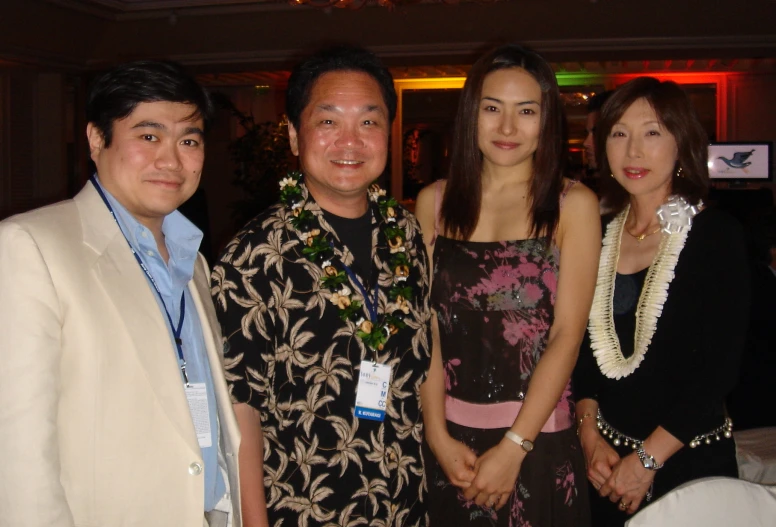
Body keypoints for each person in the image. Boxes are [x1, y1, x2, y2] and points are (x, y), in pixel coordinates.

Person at [0, 60, 241, 527]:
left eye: (188, 140)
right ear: (96, 139)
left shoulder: (193, 261)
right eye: (148, 136)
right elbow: (17, 449)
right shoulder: (32, 247)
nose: (171, 160)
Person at [211, 46, 431, 527]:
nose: (350, 141)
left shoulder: (406, 235)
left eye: (369, 122)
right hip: (306, 506)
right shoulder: (253, 256)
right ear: (294, 135)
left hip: (405, 500)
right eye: (328, 121)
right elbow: (238, 410)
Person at [414, 43, 600, 526]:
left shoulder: (571, 205)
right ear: (471, 113)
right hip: (450, 446)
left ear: (547, 121)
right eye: (492, 108)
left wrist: (514, 447)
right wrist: (436, 435)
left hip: (536, 442)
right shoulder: (432, 203)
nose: (507, 128)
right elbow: (426, 326)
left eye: (526, 111)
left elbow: (567, 335)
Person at [573, 77, 750, 526]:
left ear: (681, 142)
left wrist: (646, 462)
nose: (633, 151)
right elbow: (580, 351)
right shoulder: (596, 233)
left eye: (651, 132)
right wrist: (589, 434)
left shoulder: (717, 236)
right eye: (618, 133)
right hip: (606, 468)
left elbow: (719, 372)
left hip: (690, 466)